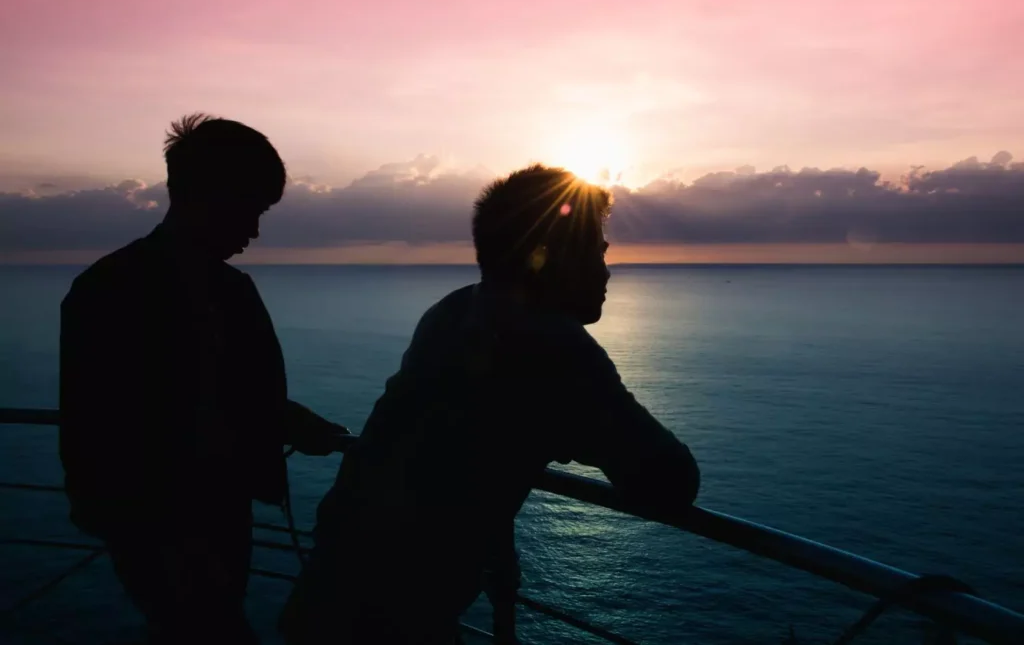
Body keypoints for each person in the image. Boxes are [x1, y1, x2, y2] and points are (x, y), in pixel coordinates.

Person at [278, 164, 701, 645]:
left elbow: (466, 442)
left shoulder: (453, 311)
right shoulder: (556, 349)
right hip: (398, 617)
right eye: (599, 253)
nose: (607, 271)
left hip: (327, 590)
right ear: (556, 256)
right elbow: (671, 480)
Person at [58, 113, 349, 645]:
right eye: (251, 210)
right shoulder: (115, 291)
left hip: (216, 511)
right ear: (209, 195)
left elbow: (221, 392)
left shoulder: (136, 286)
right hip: (160, 525)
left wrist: (291, 420)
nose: (255, 231)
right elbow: (110, 420)